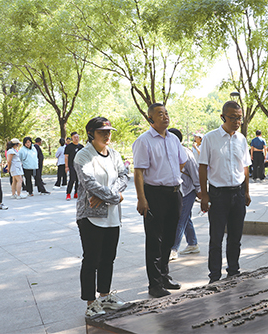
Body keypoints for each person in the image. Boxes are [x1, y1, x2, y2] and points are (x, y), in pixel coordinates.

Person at [74, 117, 129, 317]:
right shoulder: (83, 156)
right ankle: (91, 302)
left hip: (112, 216)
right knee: (92, 259)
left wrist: (109, 197)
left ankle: (105, 296)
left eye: (108, 132)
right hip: (90, 216)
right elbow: (89, 184)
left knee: (108, 257)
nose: (107, 135)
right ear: (91, 134)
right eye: (102, 132)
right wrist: (117, 197)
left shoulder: (114, 154)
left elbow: (124, 176)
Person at [132, 103, 187, 298]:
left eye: (166, 113)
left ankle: (164, 276)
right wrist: (142, 198)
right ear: (150, 120)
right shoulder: (144, 141)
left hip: (174, 193)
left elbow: (183, 161)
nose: (165, 117)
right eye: (160, 114)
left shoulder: (173, 139)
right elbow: (138, 172)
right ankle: (154, 284)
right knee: (155, 240)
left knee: (170, 238)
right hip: (154, 194)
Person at [199, 101, 251, 283]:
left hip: (237, 194)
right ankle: (214, 276)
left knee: (235, 237)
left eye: (239, 117)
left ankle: (233, 271)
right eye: (233, 117)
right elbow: (203, 167)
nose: (237, 121)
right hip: (218, 195)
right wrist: (204, 195)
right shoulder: (210, 138)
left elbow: (245, 168)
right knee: (216, 239)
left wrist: (246, 192)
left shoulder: (242, 139)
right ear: (223, 117)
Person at [168, 128, 201, 261]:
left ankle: (173, 249)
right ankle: (193, 244)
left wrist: (199, 190)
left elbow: (195, 172)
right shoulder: (169, 152)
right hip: (176, 191)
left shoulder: (186, 153)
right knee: (185, 218)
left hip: (188, 191)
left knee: (180, 218)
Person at [65, 132, 84, 200]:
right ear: (72, 138)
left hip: (79, 165)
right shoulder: (68, 147)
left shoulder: (81, 147)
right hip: (71, 165)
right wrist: (66, 166)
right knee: (72, 179)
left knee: (78, 180)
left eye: (77, 137)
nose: (76, 138)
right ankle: (68, 193)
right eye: (74, 137)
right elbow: (66, 157)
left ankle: (76, 193)